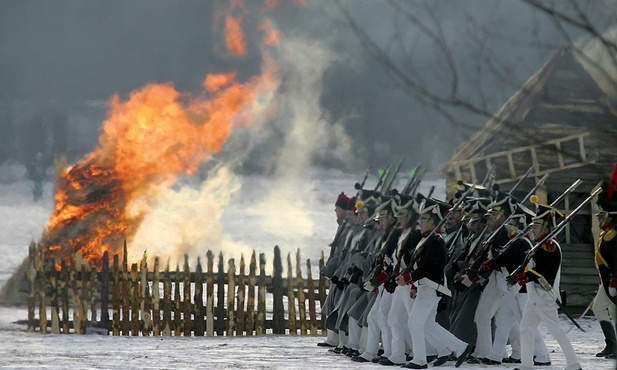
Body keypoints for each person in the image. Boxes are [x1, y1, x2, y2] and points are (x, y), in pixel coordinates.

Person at [396, 196, 473, 369]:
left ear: (433, 221)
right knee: (427, 324)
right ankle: (458, 348)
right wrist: (411, 281)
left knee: (414, 322)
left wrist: (408, 278)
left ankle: (420, 360)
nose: (420, 223)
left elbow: (428, 267)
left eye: (424, 219)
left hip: (432, 287)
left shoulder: (436, 242)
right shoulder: (426, 240)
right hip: (425, 286)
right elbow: (415, 264)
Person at [507, 201, 582, 370]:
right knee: (526, 328)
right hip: (535, 297)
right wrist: (517, 275)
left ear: (546, 226)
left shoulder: (549, 246)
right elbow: (529, 265)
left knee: (556, 331)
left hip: (544, 296)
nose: (533, 229)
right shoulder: (540, 245)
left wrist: (519, 277)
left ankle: (574, 364)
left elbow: (540, 272)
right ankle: (526, 365)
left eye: (537, 226)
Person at [593, 171, 617, 360]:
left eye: (602, 215)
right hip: (607, 281)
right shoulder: (607, 233)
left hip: (614, 282)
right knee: (599, 308)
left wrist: (614, 282)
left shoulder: (614, 235)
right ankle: (611, 345)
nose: (599, 218)